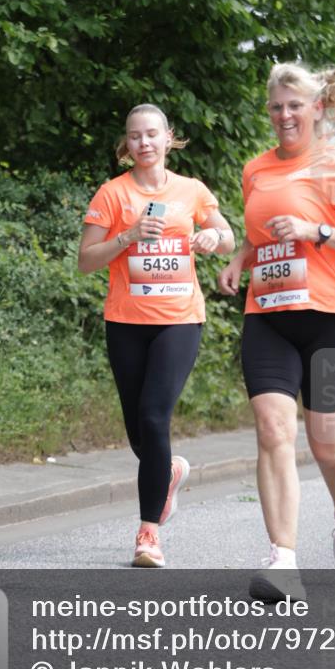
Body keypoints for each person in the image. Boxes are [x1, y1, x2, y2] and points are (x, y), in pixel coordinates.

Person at [218, 62, 335, 600]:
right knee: (272, 430)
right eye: (276, 106)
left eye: (295, 105)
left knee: (325, 440)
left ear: (316, 108)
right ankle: (282, 560)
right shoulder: (255, 170)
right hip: (268, 314)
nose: (285, 114)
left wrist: (317, 230)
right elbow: (259, 230)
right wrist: (240, 260)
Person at [78, 103, 234, 567]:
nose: (143, 143)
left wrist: (214, 239)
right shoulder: (112, 193)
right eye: (134, 136)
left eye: (151, 134)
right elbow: (86, 259)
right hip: (125, 321)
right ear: (126, 145)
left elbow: (225, 234)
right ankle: (168, 470)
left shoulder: (191, 191)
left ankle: (148, 535)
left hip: (179, 319)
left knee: (153, 416)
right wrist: (126, 237)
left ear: (168, 138)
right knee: (137, 430)